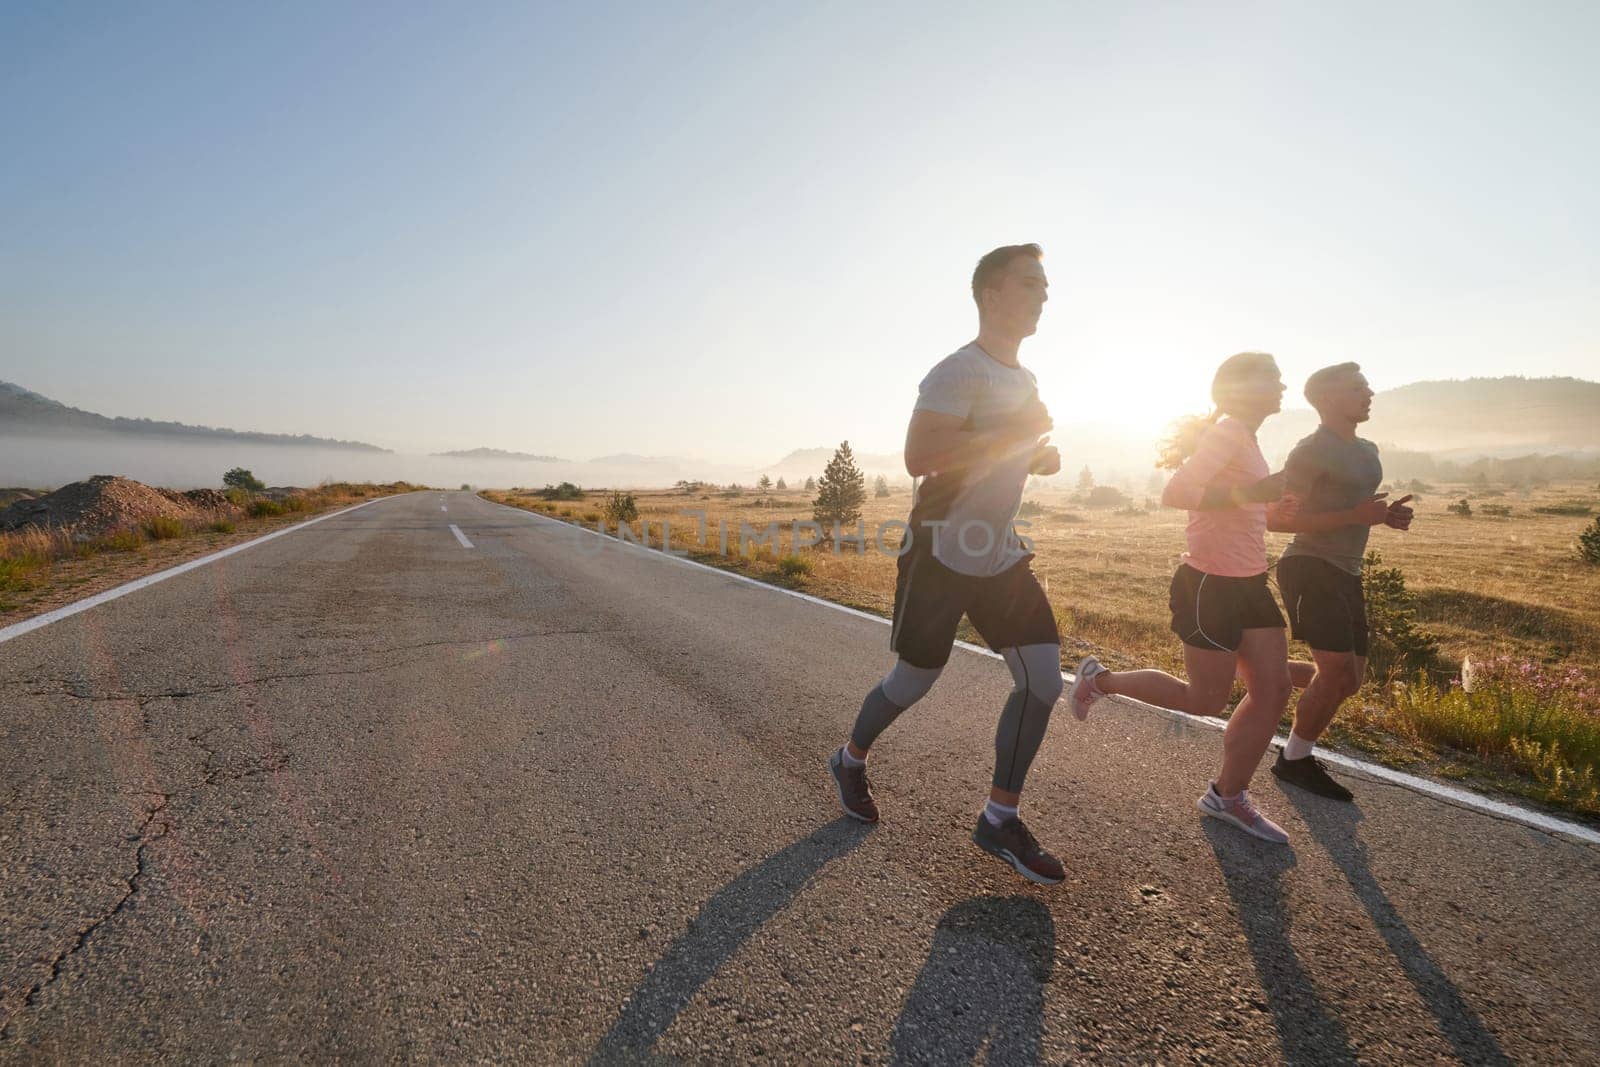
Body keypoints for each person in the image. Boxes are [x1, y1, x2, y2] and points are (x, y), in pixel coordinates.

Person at [827, 243, 1067, 884]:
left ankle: (997, 819)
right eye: (1031, 283)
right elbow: (920, 455)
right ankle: (850, 759)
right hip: (941, 547)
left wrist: (1033, 457)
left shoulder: (1025, 378)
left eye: (1046, 284)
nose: (1044, 293)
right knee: (913, 681)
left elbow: (1003, 454)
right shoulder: (958, 371)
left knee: (1043, 679)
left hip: (999, 550)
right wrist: (1012, 437)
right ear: (992, 294)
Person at [1065, 352, 1297, 843]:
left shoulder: (1247, 436)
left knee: (1273, 690)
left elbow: (1247, 503)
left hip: (1251, 582)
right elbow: (1177, 492)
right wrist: (1255, 490)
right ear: (1241, 388)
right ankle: (1100, 679)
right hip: (1210, 584)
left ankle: (1227, 796)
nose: (1282, 384)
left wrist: (1273, 501)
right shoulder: (1230, 430)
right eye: (1271, 377)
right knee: (1205, 699)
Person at [1270, 362, 1413, 800]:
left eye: (1367, 385)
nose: (1369, 393)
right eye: (1358, 387)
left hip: (1347, 570)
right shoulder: (1310, 451)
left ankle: (1257, 670)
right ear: (1329, 399)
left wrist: (1383, 517)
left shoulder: (1368, 448)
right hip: (1310, 564)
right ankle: (1294, 760)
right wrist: (1355, 516)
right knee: (1333, 674)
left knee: (1349, 680)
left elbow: (1354, 505)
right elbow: (1277, 520)